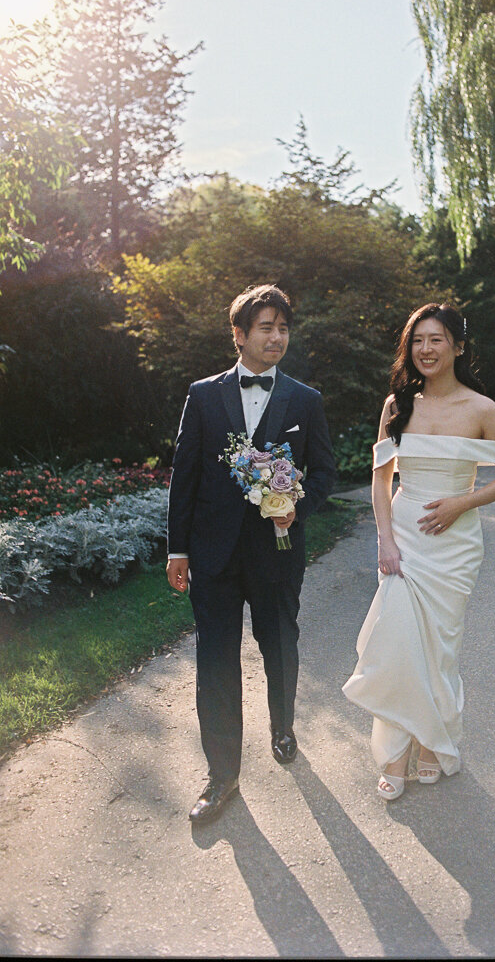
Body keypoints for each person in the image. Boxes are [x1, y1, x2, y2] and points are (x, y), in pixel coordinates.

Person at [167, 284, 336, 823]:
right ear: (239, 335)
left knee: (280, 645)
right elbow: (184, 476)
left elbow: (326, 473)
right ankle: (222, 776)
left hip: (277, 554)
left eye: (283, 328)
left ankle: (282, 724)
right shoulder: (202, 394)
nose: (277, 337)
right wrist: (177, 550)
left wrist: (296, 507)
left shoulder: (305, 400)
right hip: (212, 556)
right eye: (266, 328)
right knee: (215, 663)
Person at [342, 303, 495, 801]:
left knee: (440, 650)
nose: (425, 349)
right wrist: (386, 539)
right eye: (417, 340)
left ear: (458, 346)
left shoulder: (482, 409)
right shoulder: (397, 405)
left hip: (455, 545)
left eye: (436, 339)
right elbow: (380, 481)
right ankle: (394, 755)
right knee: (396, 644)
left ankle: (429, 743)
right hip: (403, 539)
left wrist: (462, 502)